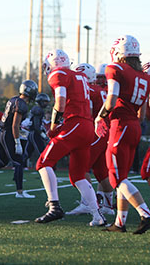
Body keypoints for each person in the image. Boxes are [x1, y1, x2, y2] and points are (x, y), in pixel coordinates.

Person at [35, 49, 106, 226]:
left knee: (43, 163)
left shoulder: (58, 73)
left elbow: (60, 102)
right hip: (87, 126)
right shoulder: (77, 75)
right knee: (78, 175)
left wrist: (53, 126)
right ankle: (97, 216)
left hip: (74, 123)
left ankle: (54, 206)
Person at [95, 35, 150, 234]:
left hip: (120, 125)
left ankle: (145, 213)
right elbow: (142, 113)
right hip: (134, 126)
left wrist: (99, 117)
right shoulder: (144, 75)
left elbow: (111, 100)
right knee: (122, 176)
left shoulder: (115, 69)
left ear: (119, 52)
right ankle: (120, 222)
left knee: (116, 178)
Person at [66, 63, 114, 216]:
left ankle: (87, 203)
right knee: (101, 172)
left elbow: (88, 112)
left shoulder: (90, 90)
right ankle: (108, 206)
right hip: (106, 132)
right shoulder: (101, 90)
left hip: (96, 131)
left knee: (81, 168)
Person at [21, 93, 50, 168]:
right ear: (40, 101)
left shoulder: (36, 108)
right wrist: (44, 136)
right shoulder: (38, 110)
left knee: (27, 152)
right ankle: (45, 167)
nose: (46, 103)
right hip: (35, 133)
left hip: (31, 133)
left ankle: (19, 167)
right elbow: (37, 126)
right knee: (42, 151)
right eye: (45, 102)